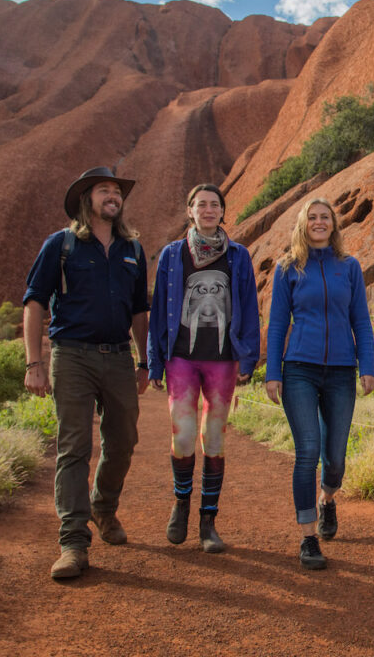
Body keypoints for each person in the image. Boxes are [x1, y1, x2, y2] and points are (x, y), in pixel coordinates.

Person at [23, 166, 150, 580]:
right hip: (72, 355)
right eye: (104, 190)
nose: (113, 195)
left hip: (116, 358)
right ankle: (73, 542)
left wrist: (144, 360)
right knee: (74, 447)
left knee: (124, 440)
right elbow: (35, 301)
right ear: (86, 199)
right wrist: (34, 363)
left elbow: (138, 311)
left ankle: (104, 506)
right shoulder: (60, 245)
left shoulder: (133, 248)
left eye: (117, 190)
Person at [265, 197, 374, 570]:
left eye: (324, 217)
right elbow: (278, 323)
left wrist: (367, 365)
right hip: (299, 368)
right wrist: (273, 372)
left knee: (336, 460)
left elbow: (360, 319)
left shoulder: (349, 267)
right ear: (302, 223)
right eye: (311, 217)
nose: (318, 222)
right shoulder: (288, 268)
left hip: (342, 370)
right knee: (307, 451)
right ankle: (308, 537)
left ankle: (328, 499)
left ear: (333, 224)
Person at [148, 184, 259, 553]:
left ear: (223, 211)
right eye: (201, 205)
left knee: (213, 438)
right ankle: (181, 503)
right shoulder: (172, 255)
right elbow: (158, 309)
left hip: (223, 360)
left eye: (215, 204)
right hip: (181, 356)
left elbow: (249, 304)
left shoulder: (239, 256)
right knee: (182, 436)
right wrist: (153, 360)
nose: (208, 210)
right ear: (190, 211)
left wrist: (249, 355)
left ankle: (207, 521)